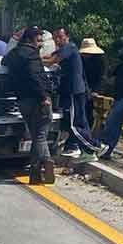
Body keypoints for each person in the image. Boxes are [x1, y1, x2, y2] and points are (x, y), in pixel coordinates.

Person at [45, 27, 108, 160]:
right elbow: (50, 56)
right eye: (55, 37)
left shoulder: (69, 47)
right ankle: (87, 154)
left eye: (60, 37)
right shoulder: (66, 49)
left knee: (74, 124)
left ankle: (97, 146)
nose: (57, 40)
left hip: (73, 91)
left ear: (67, 36)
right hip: (78, 91)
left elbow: (52, 61)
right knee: (82, 122)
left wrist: (33, 61)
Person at [2, 27, 55, 184]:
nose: (40, 44)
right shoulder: (32, 55)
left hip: (22, 101)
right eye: (38, 40)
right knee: (40, 135)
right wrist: (44, 97)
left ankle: (38, 172)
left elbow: (4, 61)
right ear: (31, 39)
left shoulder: (13, 54)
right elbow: (35, 77)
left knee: (36, 136)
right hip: (38, 100)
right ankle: (45, 162)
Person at [98, 39, 123, 159]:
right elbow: (110, 77)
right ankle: (105, 152)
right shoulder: (121, 64)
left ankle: (105, 150)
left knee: (112, 125)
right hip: (120, 98)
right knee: (112, 126)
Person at [80, 38, 106, 124]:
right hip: (82, 88)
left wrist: (96, 90)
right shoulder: (80, 59)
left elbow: (101, 77)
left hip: (93, 88)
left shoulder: (99, 61)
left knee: (90, 112)